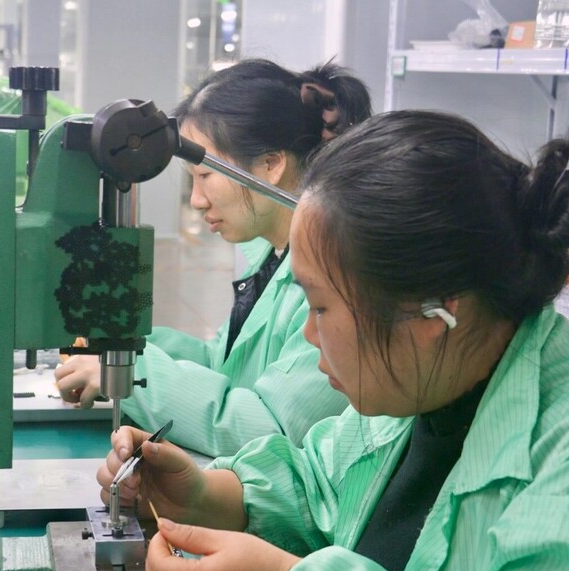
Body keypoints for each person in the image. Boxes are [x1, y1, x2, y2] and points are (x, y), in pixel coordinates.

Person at [101, 111, 569, 571]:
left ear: (433, 314)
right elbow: (321, 485)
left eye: (319, 307)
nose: (309, 335)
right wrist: (209, 495)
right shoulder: (418, 385)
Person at [56, 59, 372, 457]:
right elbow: (223, 364)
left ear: (271, 165)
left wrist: (133, 374)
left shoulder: (337, 279)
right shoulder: (272, 256)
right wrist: (121, 344)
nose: (196, 200)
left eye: (205, 175)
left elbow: (270, 430)